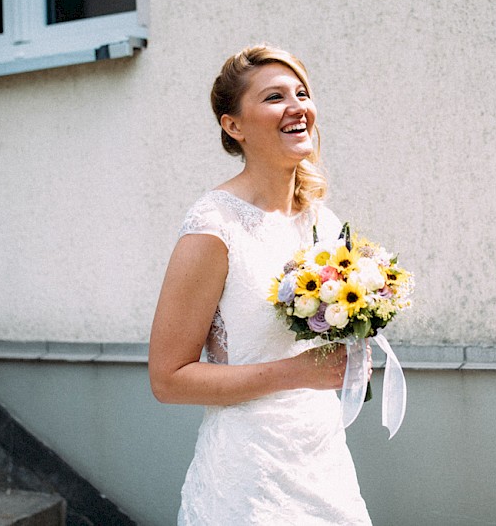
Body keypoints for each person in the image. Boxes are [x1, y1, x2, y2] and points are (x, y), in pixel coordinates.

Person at [149, 45, 372, 525]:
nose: (297, 107)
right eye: (274, 97)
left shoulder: (323, 223)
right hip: (248, 479)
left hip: (324, 460)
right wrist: (297, 373)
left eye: (302, 93)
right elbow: (167, 379)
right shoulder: (214, 226)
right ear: (235, 126)